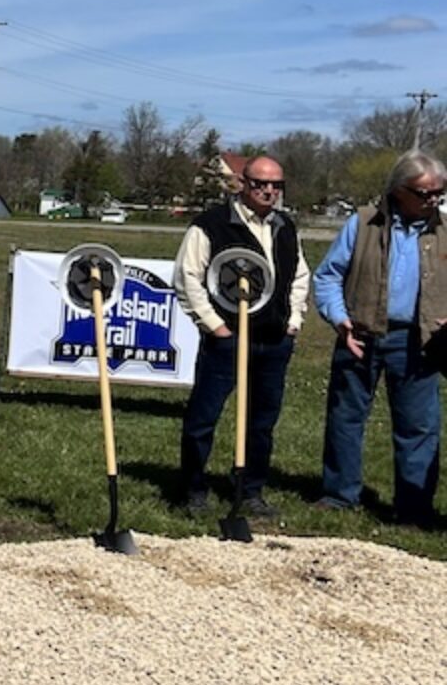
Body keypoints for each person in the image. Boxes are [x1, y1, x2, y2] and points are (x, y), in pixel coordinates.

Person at [311, 149, 447, 525]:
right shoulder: (363, 224)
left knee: (419, 426)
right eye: (424, 193)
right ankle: (340, 495)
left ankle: (414, 508)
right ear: (399, 190)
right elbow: (327, 276)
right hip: (361, 334)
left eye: (439, 192)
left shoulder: (444, 231)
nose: (433, 200)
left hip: (421, 341)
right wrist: (340, 320)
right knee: (346, 416)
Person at [171, 154, 311, 516]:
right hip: (228, 339)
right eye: (260, 183)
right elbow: (188, 278)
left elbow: (299, 276)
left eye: (276, 185)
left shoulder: (284, 226)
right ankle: (192, 491)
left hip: (274, 341)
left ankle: (250, 491)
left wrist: (293, 321)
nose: (268, 191)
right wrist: (215, 327)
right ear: (242, 184)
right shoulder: (212, 225)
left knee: (262, 423)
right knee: (203, 418)